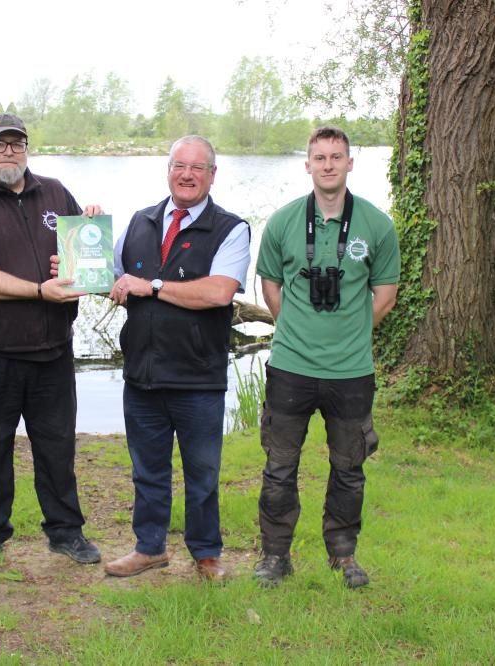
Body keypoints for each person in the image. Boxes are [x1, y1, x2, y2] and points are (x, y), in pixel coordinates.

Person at [0, 113, 102, 565]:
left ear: (27, 148)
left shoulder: (55, 192)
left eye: (16, 143)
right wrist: (38, 290)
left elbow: (85, 259)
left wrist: (91, 227)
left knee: (57, 444)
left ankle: (65, 531)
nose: (8, 151)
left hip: (52, 350)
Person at [253, 126, 400, 588]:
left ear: (350, 163)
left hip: (351, 372)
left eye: (337, 156)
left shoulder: (377, 225)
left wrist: (350, 334)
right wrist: (296, 330)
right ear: (308, 165)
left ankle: (343, 555)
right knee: (279, 468)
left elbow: (387, 294)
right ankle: (276, 557)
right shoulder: (283, 222)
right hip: (291, 367)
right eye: (320, 157)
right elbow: (270, 286)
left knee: (349, 468)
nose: (329, 164)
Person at [104, 135, 251, 581]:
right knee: (147, 471)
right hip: (142, 374)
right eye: (179, 166)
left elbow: (218, 291)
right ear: (168, 170)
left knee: (202, 474)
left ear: (212, 175)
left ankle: (206, 554)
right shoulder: (139, 221)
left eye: (197, 168)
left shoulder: (231, 229)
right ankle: (149, 548)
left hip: (197, 377)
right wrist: (81, 244)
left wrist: (152, 286)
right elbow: (112, 278)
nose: (187, 175)